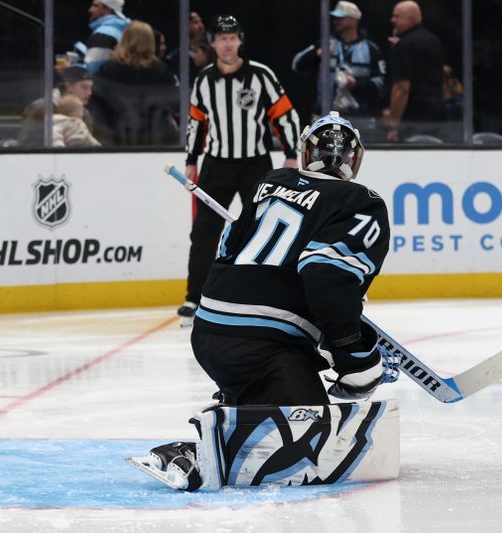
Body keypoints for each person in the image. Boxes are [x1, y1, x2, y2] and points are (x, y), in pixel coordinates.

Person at [142, 112, 390, 490]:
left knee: (294, 410)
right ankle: (204, 452)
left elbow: (229, 247)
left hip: (210, 332)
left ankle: (235, 404)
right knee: (311, 446)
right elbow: (326, 276)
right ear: (354, 158)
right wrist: (352, 356)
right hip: (264, 346)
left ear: (307, 152)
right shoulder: (361, 200)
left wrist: (319, 330)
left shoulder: (273, 181)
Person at [178, 14, 301, 324]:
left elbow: (284, 114)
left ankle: (260, 293)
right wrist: (192, 159)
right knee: (205, 231)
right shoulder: (204, 80)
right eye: (222, 38)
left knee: (261, 229)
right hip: (216, 164)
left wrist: (291, 154)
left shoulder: (261, 75)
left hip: (255, 164)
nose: (227, 43)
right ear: (213, 43)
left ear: (240, 41)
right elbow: (197, 122)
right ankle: (195, 297)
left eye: (232, 38)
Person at [291, 1, 385, 121]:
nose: (335, 21)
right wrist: (316, 55)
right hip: (324, 114)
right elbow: (296, 65)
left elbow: (379, 85)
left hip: (359, 116)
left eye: (340, 18)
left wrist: (356, 84)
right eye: (334, 18)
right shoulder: (325, 44)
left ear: (353, 19)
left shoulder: (371, 50)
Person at [92, 20, 179, 146]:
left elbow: (99, 103)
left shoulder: (108, 69)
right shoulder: (160, 70)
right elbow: (173, 101)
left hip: (117, 136)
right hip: (154, 137)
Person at [383, 1, 446, 141]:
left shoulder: (404, 45)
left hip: (414, 114)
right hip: (438, 110)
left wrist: (394, 124)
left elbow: (401, 89)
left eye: (396, 16)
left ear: (409, 19)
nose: (392, 20)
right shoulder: (434, 41)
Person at [83, 0, 130, 74]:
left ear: (107, 9)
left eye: (95, 6)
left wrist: (71, 67)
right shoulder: (121, 28)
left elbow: (91, 70)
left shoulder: (104, 33)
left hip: (102, 83)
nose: (90, 10)